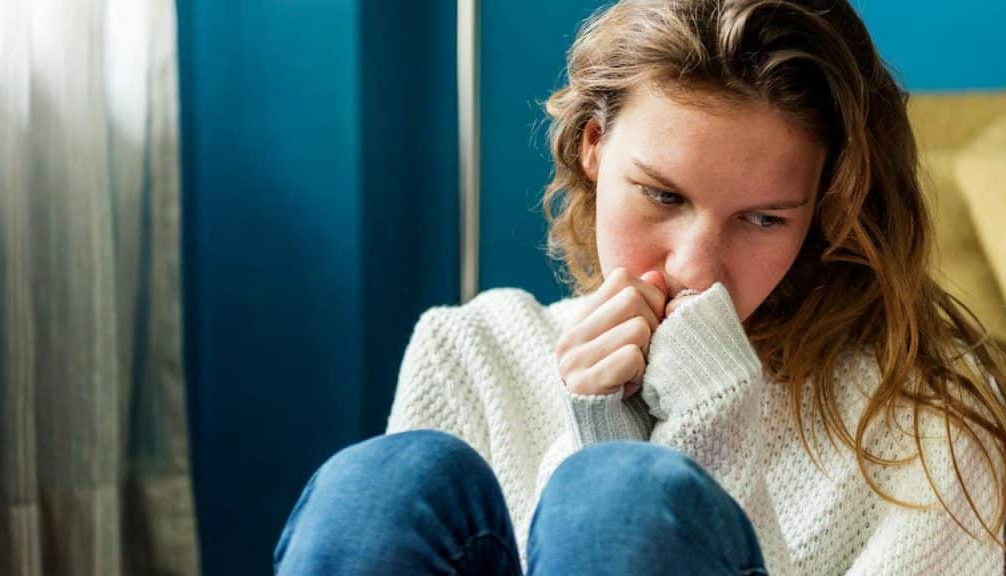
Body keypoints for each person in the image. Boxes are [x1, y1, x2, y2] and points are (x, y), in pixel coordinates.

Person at [273, 0, 1006, 574]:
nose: (694, 268)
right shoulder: (472, 349)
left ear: (826, 209)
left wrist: (702, 444)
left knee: (621, 499)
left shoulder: (923, 421)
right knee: (387, 483)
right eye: (662, 197)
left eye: (761, 219)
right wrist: (593, 433)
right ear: (593, 147)